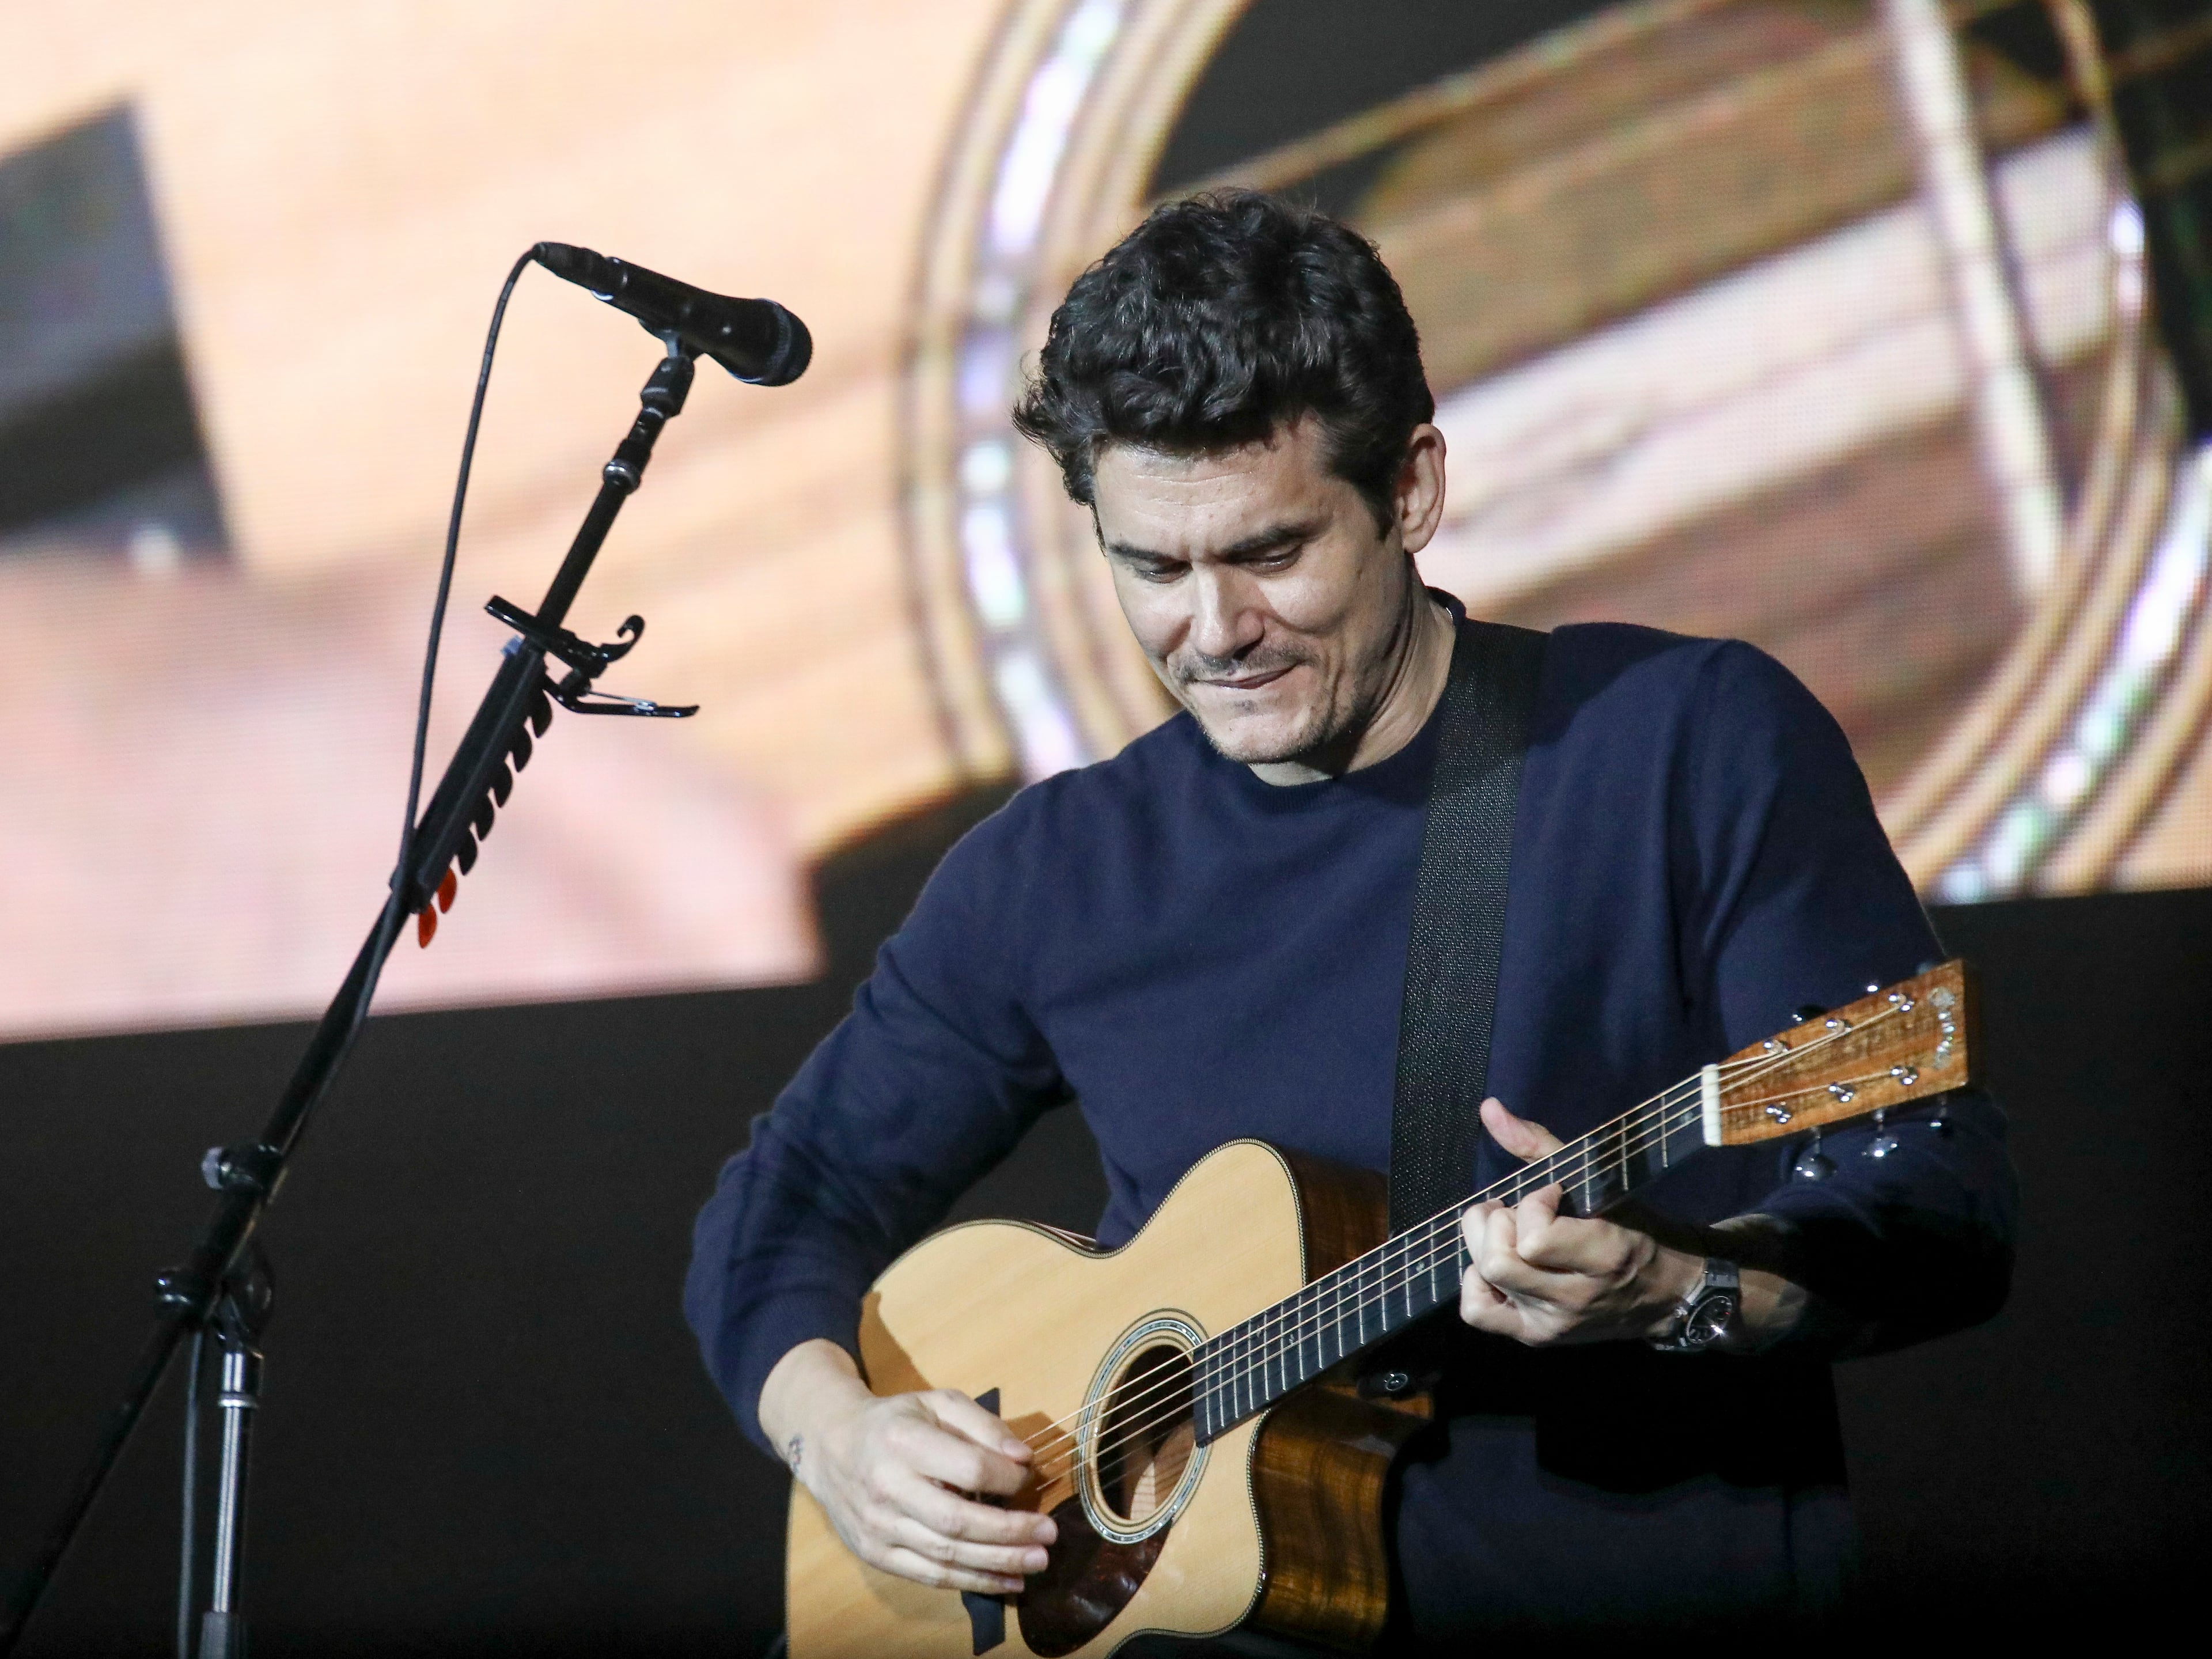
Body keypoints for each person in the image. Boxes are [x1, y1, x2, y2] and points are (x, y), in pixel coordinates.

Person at [684, 191, 2017, 1646]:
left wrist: (1681, 1290)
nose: (1213, 628)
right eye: (1152, 568)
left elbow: (1937, 1198)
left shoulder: (1682, 744)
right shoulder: (1055, 869)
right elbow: (781, 1209)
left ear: (1413, 491)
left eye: (1271, 552)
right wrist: (846, 1443)